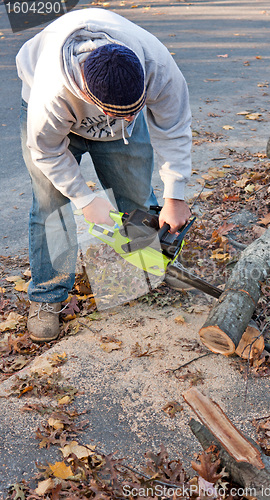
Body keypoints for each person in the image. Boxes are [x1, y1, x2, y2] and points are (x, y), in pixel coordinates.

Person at [16, 7, 192, 343]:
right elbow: (46, 151)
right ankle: (48, 298)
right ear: (86, 93)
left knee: (137, 196)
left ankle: (146, 269)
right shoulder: (51, 95)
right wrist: (84, 199)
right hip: (57, 125)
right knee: (52, 208)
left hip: (108, 104)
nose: (126, 120)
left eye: (133, 112)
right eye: (118, 114)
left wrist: (175, 195)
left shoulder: (155, 64)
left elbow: (174, 127)